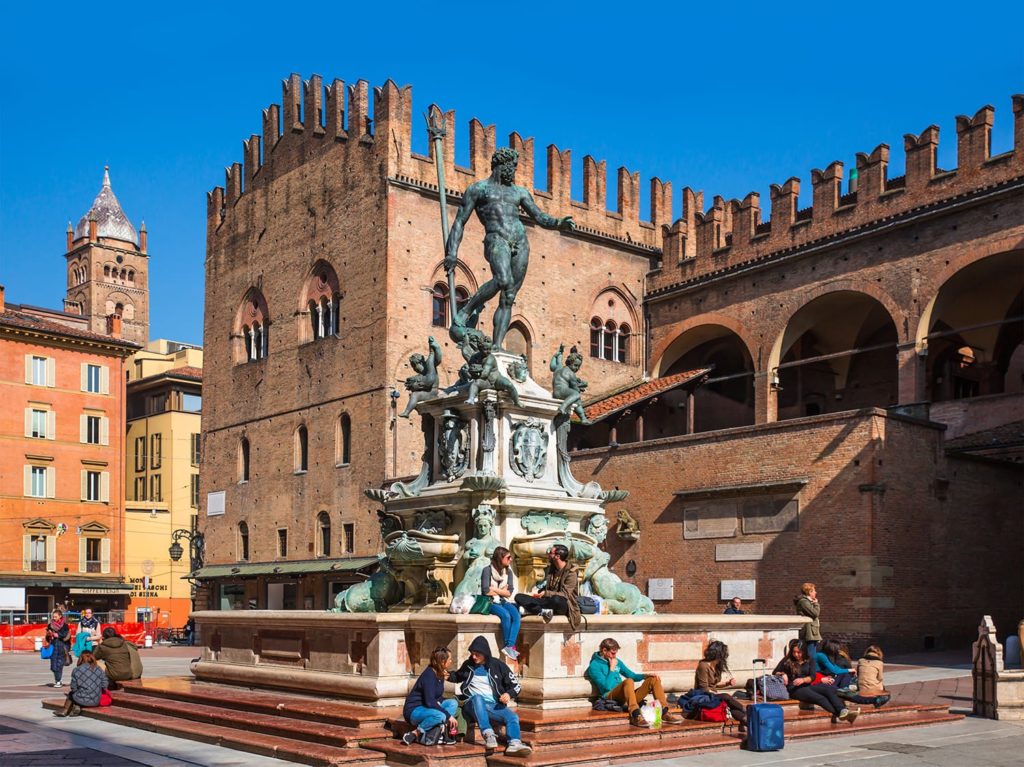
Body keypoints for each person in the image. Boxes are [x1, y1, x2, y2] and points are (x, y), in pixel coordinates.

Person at [444, 146, 575, 349]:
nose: (514, 171)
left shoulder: (519, 193)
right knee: (502, 280)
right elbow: (460, 222)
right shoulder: (478, 190)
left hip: (521, 243)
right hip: (496, 240)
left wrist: (559, 223)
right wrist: (452, 253)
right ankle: (466, 310)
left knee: (509, 296)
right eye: (512, 167)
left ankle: (497, 347)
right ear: (501, 165)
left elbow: (539, 217)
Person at [448, 636, 531, 755]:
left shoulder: (498, 665)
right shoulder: (468, 665)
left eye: (477, 654)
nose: (473, 657)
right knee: (478, 698)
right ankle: (488, 734)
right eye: (472, 653)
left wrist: (508, 694)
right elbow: (457, 676)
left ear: (485, 653)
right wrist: (443, 674)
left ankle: (514, 744)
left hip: (492, 706)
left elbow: (516, 685)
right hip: (471, 704)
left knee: (512, 717)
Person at [586, 637, 683, 728]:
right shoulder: (594, 666)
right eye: (612, 653)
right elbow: (606, 687)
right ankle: (635, 715)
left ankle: (664, 712)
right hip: (610, 696)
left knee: (654, 679)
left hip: (627, 697)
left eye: (615, 653)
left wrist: (645, 676)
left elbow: (632, 675)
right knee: (628, 681)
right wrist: (611, 669)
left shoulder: (616, 661)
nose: (615, 656)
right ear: (604, 650)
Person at [774, 639, 859, 723]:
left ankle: (843, 710)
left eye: (799, 652)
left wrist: (803, 680)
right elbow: (775, 672)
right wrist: (782, 674)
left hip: (807, 685)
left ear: (804, 651)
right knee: (820, 698)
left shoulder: (810, 660)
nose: (796, 655)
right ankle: (841, 714)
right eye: (794, 652)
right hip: (794, 689)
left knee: (828, 689)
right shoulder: (787, 660)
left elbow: (812, 676)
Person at [514, 544, 580, 631]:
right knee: (519, 597)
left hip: (564, 604)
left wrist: (546, 593)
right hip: (548, 601)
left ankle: (534, 609)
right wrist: (541, 593)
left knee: (556, 599)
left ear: (557, 556)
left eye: (550, 552)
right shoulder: (552, 569)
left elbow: (565, 594)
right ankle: (542, 611)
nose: (548, 554)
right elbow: (549, 588)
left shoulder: (571, 573)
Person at [401, 646, 458, 745]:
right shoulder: (429, 675)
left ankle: (441, 732)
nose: (451, 661)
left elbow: (437, 697)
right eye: (449, 659)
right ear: (442, 661)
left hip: (427, 708)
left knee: (453, 703)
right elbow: (430, 701)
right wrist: (449, 716)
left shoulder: (440, 673)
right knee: (440, 715)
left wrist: (443, 706)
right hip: (414, 710)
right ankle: (415, 733)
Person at [692, 641, 748, 731]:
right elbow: (704, 688)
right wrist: (718, 695)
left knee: (729, 706)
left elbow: (714, 685)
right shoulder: (703, 666)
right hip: (702, 696)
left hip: (712, 695)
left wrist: (727, 683)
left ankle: (746, 721)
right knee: (726, 697)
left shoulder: (717, 666)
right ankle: (747, 711)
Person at [481, 547, 521, 660]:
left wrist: (496, 590)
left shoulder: (508, 572)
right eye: (508, 557)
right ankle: (509, 645)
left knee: (516, 616)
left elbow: (509, 593)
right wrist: (502, 590)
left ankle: (509, 646)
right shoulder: (487, 571)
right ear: (500, 558)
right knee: (506, 615)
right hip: (490, 602)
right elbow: (486, 591)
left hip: (503, 600)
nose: (511, 559)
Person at [54, 650, 108, 717]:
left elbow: (73, 688)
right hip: (96, 700)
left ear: (80, 658)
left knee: (71, 694)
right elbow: (105, 684)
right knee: (79, 694)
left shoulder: (76, 670)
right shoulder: (99, 669)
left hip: (81, 699)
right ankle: (76, 706)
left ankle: (66, 710)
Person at [794, 582, 821, 666]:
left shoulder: (808, 602)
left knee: (813, 654)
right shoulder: (804, 602)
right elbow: (815, 613)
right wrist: (816, 604)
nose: (815, 592)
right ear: (809, 592)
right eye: (814, 591)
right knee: (810, 655)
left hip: (813, 631)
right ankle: (811, 671)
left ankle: (812, 670)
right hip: (809, 632)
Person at [45, 609, 71, 688]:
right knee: (53, 665)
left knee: (59, 664)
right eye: (53, 616)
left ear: (60, 616)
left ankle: (58, 681)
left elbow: (66, 635)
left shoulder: (65, 625)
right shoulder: (50, 625)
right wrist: (49, 634)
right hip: (53, 646)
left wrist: (58, 635)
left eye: (56, 616)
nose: (54, 618)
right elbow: (47, 637)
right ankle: (57, 680)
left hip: (62, 646)